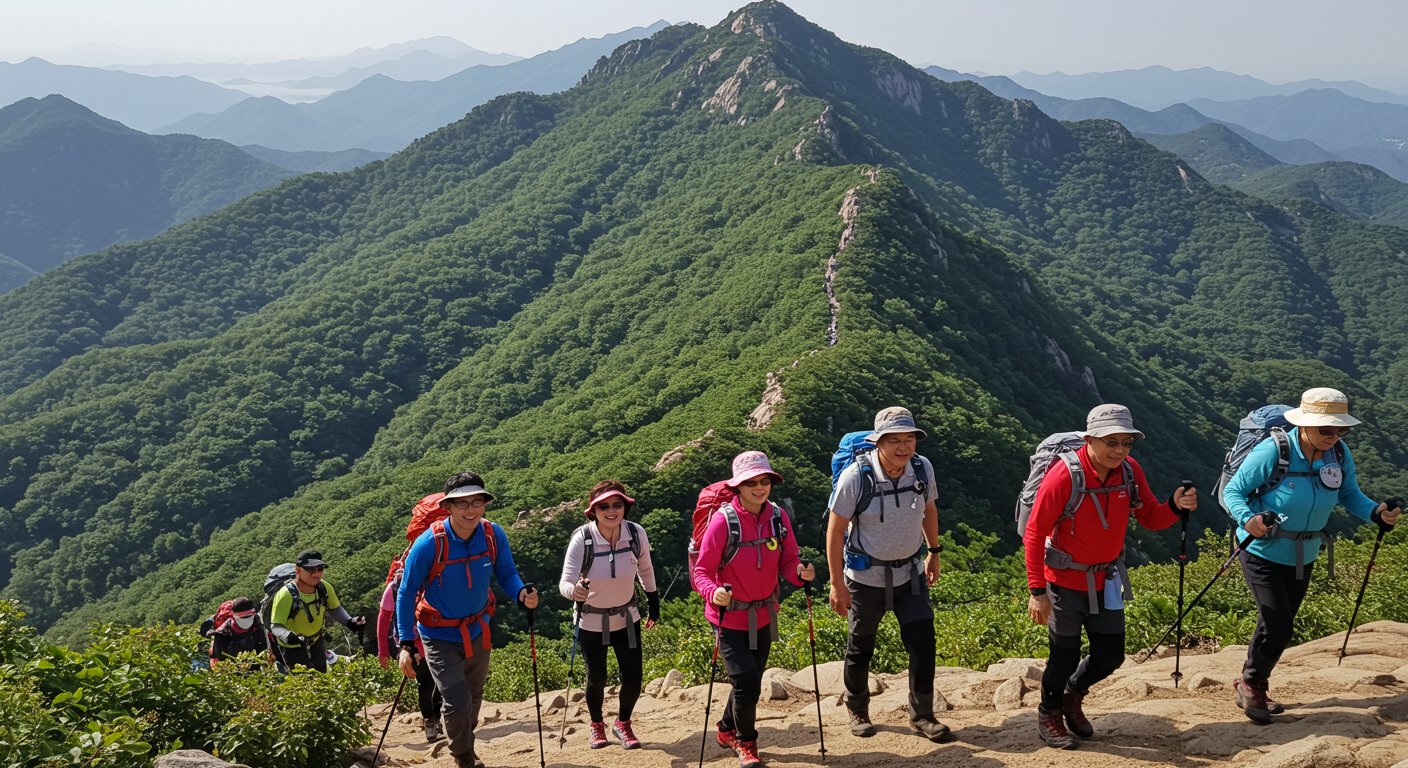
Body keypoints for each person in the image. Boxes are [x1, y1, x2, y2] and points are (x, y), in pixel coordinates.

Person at [1223, 388, 1400, 724]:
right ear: (1304, 424)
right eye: (1326, 429)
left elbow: (1349, 494)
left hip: (1304, 553)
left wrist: (1375, 513)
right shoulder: (1273, 451)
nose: (1334, 436)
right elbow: (1233, 491)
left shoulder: (1339, 454)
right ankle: (1251, 685)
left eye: (1340, 429)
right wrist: (1248, 520)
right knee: (1278, 624)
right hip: (1261, 549)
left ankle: (1253, 681)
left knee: (1277, 622)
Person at [1024, 404, 1196, 749]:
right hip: (1064, 581)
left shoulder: (1129, 471)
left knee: (1111, 655)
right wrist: (1037, 591)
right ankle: (1049, 713)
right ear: (1090, 439)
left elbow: (1150, 517)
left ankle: (1073, 694)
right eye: (1111, 442)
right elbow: (1034, 533)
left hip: (1106, 579)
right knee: (1063, 656)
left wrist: (1174, 507)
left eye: (1126, 443)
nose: (1120, 450)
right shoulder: (1064, 475)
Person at [396, 471, 539, 768]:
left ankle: (465, 744)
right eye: (462, 503)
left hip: (477, 628)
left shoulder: (493, 534)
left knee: (473, 697)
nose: (470, 509)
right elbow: (406, 593)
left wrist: (521, 593)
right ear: (447, 506)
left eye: (477, 502)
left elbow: (507, 573)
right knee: (457, 700)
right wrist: (406, 644)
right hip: (438, 634)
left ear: (485, 504)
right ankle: (463, 756)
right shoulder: (429, 543)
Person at [826, 406, 949, 742]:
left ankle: (923, 715)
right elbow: (835, 532)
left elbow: (929, 510)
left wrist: (934, 552)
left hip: (910, 572)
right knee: (861, 646)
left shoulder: (922, 468)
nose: (903, 447)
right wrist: (837, 584)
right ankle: (857, 708)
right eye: (894, 440)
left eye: (909, 439)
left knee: (923, 643)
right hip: (865, 578)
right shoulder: (857, 477)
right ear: (877, 442)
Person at [692, 451, 813, 768]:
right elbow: (702, 572)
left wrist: (799, 573)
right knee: (747, 682)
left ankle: (725, 728)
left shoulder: (778, 517)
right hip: (728, 617)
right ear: (738, 487)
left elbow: (788, 559)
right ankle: (746, 742)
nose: (759, 488)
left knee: (751, 681)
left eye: (764, 481)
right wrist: (712, 592)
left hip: (763, 614)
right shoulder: (723, 521)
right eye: (751, 483)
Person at [557, 480, 660, 750]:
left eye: (617, 505)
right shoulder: (583, 538)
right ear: (593, 510)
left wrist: (653, 603)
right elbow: (565, 582)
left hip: (627, 618)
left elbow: (645, 570)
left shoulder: (635, 534)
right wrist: (574, 592)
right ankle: (596, 724)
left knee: (633, 678)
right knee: (597, 678)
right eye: (604, 506)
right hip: (591, 621)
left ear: (625, 507)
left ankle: (623, 723)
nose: (611, 511)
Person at [270, 549, 367, 672]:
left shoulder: (324, 587)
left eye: (320, 569)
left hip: (316, 640)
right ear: (297, 570)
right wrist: (289, 636)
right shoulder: (286, 594)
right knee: (304, 679)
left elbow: (334, 608)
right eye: (310, 569)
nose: (315, 574)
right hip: (292, 647)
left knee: (321, 676)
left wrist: (350, 621)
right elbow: (276, 626)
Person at [379, 567, 444, 742]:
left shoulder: (433, 581)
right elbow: (383, 620)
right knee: (428, 681)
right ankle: (431, 720)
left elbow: (383, 620)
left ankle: (434, 720)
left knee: (437, 681)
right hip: (411, 644)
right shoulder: (395, 587)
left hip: (432, 639)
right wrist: (383, 652)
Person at [209, 596, 270, 668]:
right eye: (242, 618)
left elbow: (264, 647)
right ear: (233, 616)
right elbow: (219, 660)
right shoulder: (222, 634)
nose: (246, 621)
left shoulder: (257, 623)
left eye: (250, 617)